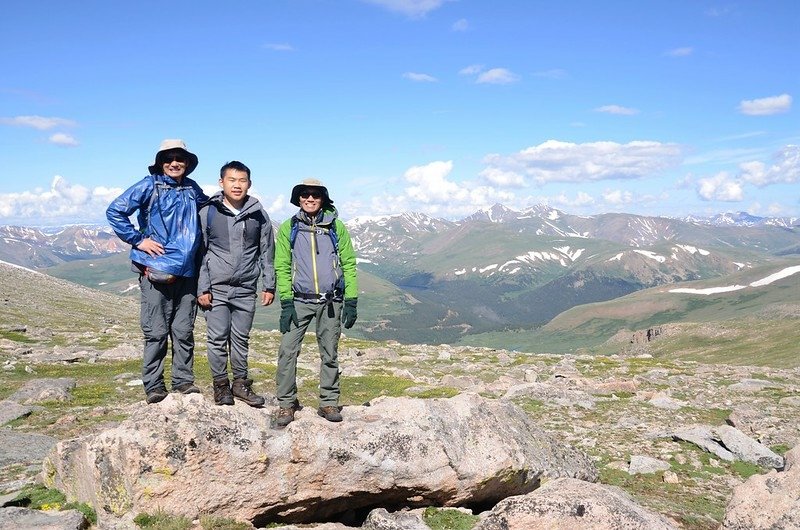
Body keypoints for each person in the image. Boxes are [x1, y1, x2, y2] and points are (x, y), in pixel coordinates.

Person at [106, 139, 209, 404]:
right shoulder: (148, 185)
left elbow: (209, 208)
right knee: (156, 332)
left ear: (187, 163)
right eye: (168, 158)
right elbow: (115, 211)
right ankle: (154, 386)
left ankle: (183, 382)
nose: (174, 163)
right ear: (160, 162)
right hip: (156, 270)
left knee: (184, 331)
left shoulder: (191, 188)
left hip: (187, 272)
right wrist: (139, 240)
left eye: (180, 159)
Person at [274, 178, 358, 426]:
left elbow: (349, 264)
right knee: (287, 351)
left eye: (315, 195)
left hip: (331, 302)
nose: (309, 199)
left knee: (330, 353)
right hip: (299, 301)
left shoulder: (336, 227)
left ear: (323, 199)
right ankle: (286, 404)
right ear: (298, 199)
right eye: (304, 195)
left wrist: (351, 299)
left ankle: (329, 402)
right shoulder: (289, 227)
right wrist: (286, 302)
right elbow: (282, 265)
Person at [197, 161, 276, 407]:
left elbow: (267, 251)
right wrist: (203, 287)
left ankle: (240, 384)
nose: (237, 185)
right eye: (232, 180)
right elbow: (199, 252)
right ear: (222, 182)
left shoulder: (258, 214)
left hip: (245, 288)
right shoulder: (208, 212)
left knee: (241, 338)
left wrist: (269, 284)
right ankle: (221, 387)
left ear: (249, 184)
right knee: (218, 338)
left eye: (242, 180)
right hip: (216, 288)